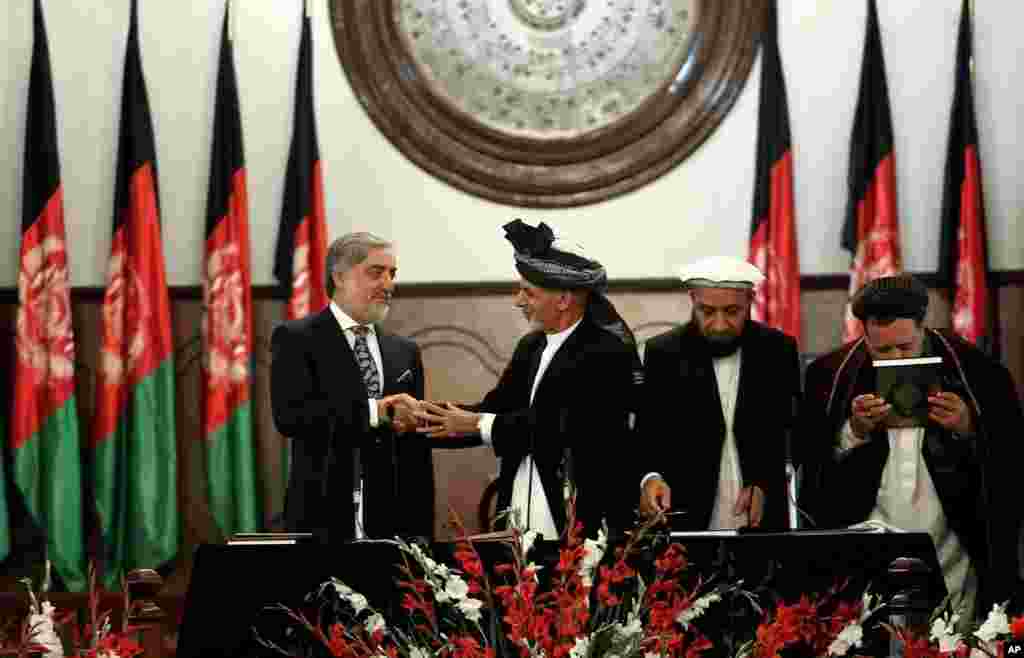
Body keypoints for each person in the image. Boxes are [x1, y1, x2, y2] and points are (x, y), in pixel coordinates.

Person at [796, 273, 1022, 618]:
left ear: (923, 327)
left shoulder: (977, 371)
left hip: (954, 550)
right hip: (867, 545)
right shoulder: (831, 374)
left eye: (905, 347)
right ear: (864, 335)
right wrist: (853, 432)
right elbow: (810, 468)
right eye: (881, 350)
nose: (894, 359)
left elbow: (1011, 456)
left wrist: (969, 427)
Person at [416, 219, 640, 539]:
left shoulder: (606, 351)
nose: (518, 301)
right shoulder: (531, 346)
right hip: (518, 506)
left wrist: (478, 424)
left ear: (563, 300)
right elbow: (494, 408)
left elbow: (560, 426)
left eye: (528, 292)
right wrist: (419, 418)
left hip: (578, 518)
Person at [270, 232, 432, 542]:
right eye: (376, 272)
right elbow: (291, 416)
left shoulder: (404, 351)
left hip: (393, 524)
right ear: (340, 277)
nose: (388, 284)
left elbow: (416, 448)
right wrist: (374, 411)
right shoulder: (297, 339)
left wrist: (420, 528)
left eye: (392, 274)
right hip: (323, 518)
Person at [636, 256, 801, 531]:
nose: (720, 324)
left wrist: (765, 483)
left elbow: (790, 433)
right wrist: (650, 477)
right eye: (708, 311)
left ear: (751, 300)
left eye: (732, 311)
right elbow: (646, 434)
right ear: (692, 300)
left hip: (760, 515)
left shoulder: (777, 350)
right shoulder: (663, 353)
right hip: (686, 515)